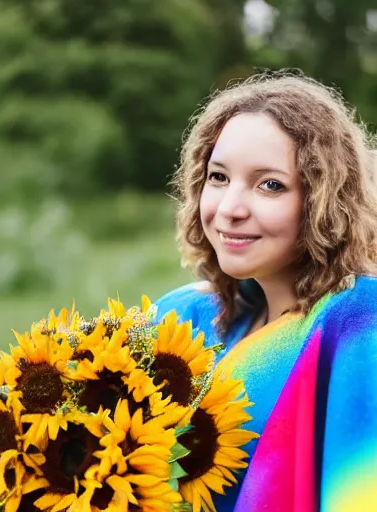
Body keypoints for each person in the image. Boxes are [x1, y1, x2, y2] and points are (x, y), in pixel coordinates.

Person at [153, 72, 377, 512]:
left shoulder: (356, 322)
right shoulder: (184, 316)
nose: (231, 208)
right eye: (218, 177)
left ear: (323, 199)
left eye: (269, 184)